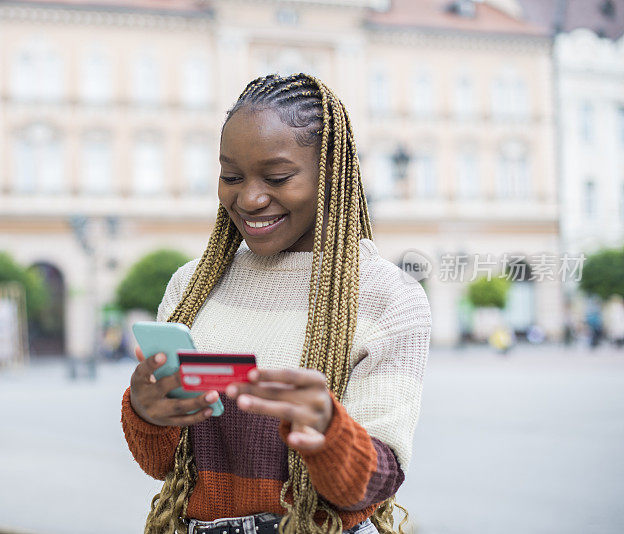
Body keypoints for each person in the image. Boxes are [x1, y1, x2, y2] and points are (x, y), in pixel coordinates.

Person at [121, 73, 431, 534]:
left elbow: (375, 483)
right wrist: (146, 413)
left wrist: (329, 432)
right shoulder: (191, 285)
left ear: (331, 173)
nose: (249, 198)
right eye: (231, 176)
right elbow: (161, 465)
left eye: (278, 177)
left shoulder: (390, 297)